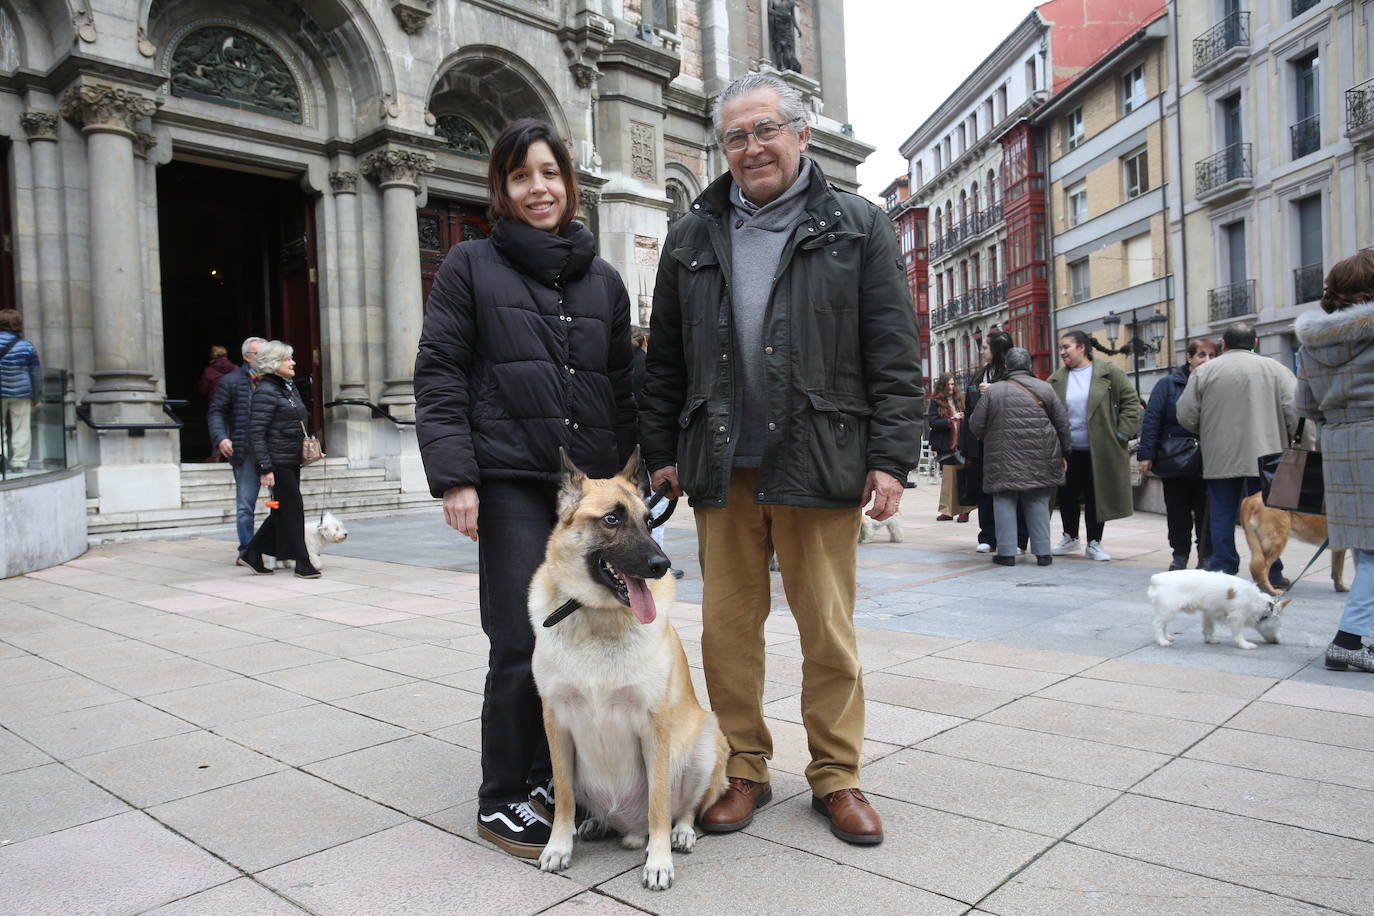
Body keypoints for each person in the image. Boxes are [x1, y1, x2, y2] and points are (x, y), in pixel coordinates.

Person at [640, 72, 923, 846]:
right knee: (728, 632)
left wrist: (893, 458)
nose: (752, 147)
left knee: (827, 630)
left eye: (765, 130)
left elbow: (894, 352)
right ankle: (744, 769)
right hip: (721, 464)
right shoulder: (692, 235)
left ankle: (837, 775)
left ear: (801, 134)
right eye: (736, 136)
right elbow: (663, 360)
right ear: (721, 148)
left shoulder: (858, 225)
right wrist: (660, 452)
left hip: (823, 456)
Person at [414, 119, 637, 859]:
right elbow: (441, 370)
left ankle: (558, 784)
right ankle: (503, 795)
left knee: (580, 638)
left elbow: (621, 382)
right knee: (518, 639)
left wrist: (648, 471)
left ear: (569, 182)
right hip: (510, 479)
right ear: (501, 191)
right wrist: (456, 476)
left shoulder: (602, 278)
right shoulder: (469, 265)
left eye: (549, 173)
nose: (538, 189)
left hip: (588, 494)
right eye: (520, 177)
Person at [1296, 252, 1374, 672]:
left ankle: (1363, 635)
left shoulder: (1312, 341)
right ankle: (1350, 638)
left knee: (1367, 547)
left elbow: (1305, 403)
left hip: (1341, 447)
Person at [1176, 323, 1298, 585]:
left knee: (1222, 510)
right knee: (1270, 514)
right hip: (1269, 454)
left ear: (1223, 344)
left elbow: (1185, 414)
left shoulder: (1204, 372)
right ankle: (1271, 572)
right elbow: (1295, 412)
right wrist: (1291, 441)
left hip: (1221, 452)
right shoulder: (1277, 370)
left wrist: (1206, 429)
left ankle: (1223, 569)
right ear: (1255, 343)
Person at [968, 347, 1070, 567]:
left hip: (1002, 457)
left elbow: (975, 425)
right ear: (1029, 366)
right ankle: (1043, 553)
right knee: (1038, 502)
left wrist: (991, 435)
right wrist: (1064, 452)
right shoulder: (1046, 388)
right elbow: (1062, 423)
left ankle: (1006, 554)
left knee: (1004, 500)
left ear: (1006, 367)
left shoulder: (994, 391)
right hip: (1041, 456)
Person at [1047, 330, 1141, 561]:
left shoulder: (1110, 373)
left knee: (1096, 495)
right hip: (1068, 450)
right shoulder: (1056, 379)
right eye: (1060, 348)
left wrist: (1121, 434)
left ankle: (1094, 542)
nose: (1062, 352)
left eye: (1066, 347)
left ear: (1082, 348)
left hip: (1101, 448)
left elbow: (1131, 403)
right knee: (1067, 495)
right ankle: (1069, 537)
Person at [239, 340, 320, 579]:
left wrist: (310, 448)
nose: (293, 362)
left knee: (282, 511)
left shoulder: (287, 387)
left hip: (290, 458)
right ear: (274, 364)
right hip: (277, 462)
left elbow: (295, 422)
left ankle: (252, 553)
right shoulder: (265, 391)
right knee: (293, 511)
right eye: (288, 359)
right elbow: (256, 433)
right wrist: (265, 467)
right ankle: (303, 563)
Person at [1137, 338, 1216, 571]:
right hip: (1176, 458)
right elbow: (1152, 420)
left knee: (1207, 510)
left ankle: (1206, 554)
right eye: (1202, 355)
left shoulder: (1217, 383)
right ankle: (1179, 555)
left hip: (1208, 458)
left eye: (1212, 356)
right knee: (1177, 510)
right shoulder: (1168, 384)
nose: (1207, 361)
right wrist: (1146, 454)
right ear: (1189, 358)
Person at [961, 330, 1025, 553]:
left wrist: (996, 390)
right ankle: (988, 535)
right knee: (983, 489)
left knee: (1011, 491)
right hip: (981, 443)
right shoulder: (981, 374)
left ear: (997, 350)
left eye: (985, 347)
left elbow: (1023, 399)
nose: (981, 351)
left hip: (1007, 443)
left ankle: (1017, 539)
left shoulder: (1014, 373)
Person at [630, 327, 683, 577]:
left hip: (634, 447)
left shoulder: (628, 365)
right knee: (653, 513)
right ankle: (657, 561)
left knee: (647, 510)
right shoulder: (644, 365)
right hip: (648, 448)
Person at [208, 336, 266, 551]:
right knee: (245, 506)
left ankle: (280, 547)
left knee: (282, 505)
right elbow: (216, 412)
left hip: (274, 451)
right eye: (258, 354)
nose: (264, 358)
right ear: (246, 357)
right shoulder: (230, 381)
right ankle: (248, 550)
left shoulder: (276, 379)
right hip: (246, 452)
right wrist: (221, 437)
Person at [0, 308, 42, 474]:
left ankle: (0, 458)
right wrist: (37, 395)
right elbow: (35, 372)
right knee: (21, 427)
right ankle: (19, 462)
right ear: (18, 325)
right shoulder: (27, 345)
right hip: (21, 391)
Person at [927, 372, 972, 523]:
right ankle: (948, 511)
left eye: (953, 384)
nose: (951, 387)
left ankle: (965, 511)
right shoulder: (936, 401)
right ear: (942, 385)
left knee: (964, 479)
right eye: (948, 385)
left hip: (962, 444)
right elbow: (932, 423)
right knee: (948, 479)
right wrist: (951, 419)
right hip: (946, 446)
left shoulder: (960, 400)